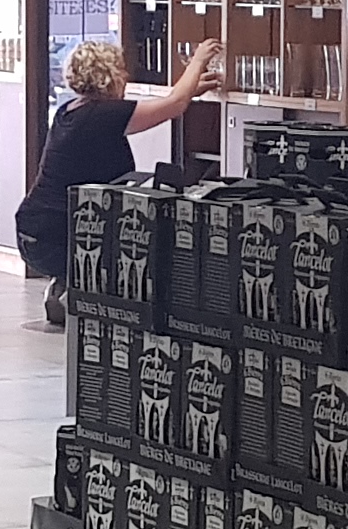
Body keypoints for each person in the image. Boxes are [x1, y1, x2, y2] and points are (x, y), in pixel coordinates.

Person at [17, 37, 217, 327]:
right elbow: (174, 105)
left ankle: (66, 286)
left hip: (34, 230)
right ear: (110, 75)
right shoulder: (105, 114)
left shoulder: (70, 111)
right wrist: (198, 60)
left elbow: (169, 103)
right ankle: (81, 292)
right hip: (60, 237)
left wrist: (189, 91)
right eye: (122, 70)